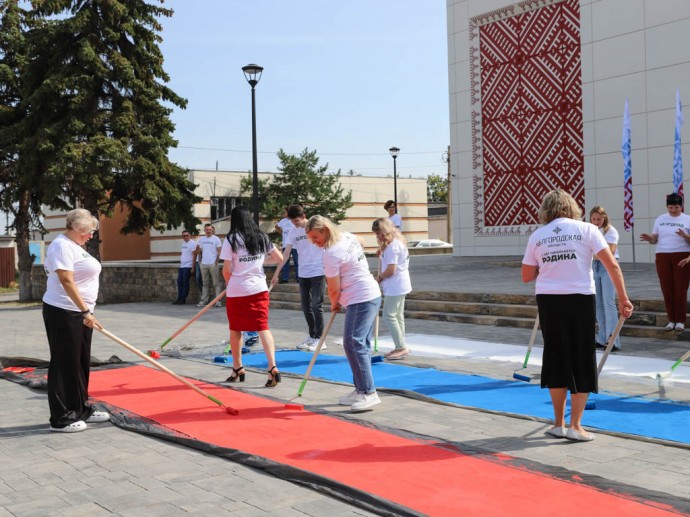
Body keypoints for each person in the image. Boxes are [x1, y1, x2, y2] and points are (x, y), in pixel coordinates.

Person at [522, 189, 633, 442]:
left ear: (546, 210)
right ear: (573, 208)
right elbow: (611, 264)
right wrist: (624, 298)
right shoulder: (588, 230)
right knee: (581, 355)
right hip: (579, 297)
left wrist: (550, 264)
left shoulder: (538, 235)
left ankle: (558, 423)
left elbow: (527, 275)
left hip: (549, 299)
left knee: (556, 355)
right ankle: (576, 426)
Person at [42, 208, 110, 433]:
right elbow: (66, 281)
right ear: (78, 228)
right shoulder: (61, 245)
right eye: (89, 231)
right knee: (64, 362)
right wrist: (85, 311)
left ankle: (80, 408)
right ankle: (61, 418)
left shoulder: (76, 247)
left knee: (80, 362)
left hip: (81, 313)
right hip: (64, 311)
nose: (91, 236)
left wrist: (87, 311)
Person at [306, 215, 382, 412]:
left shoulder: (331, 253)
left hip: (361, 298)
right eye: (311, 239)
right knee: (359, 344)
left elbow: (333, 288)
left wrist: (333, 304)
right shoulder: (347, 236)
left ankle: (368, 393)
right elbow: (362, 241)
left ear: (325, 230)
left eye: (315, 237)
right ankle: (361, 389)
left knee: (353, 343)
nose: (314, 242)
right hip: (368, 294)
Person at [221, 206, 283, 387]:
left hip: (237, 290)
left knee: (236, 328)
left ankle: (237, 366)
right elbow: (279, 258)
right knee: (262, 326)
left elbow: (226, 270)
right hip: (258, 288)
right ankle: (272, 367)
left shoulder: (231, 239)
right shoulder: (262, 237)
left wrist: (229, 284)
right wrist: (259, 262)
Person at [271, 205, 326, 351]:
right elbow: (286, 253)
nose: (294, 223)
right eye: (292, 221)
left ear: (304, 216)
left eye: (296, 220)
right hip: (303, 272)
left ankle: (320, 339)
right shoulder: (293, 231)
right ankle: (312, 336)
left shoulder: (315, 227)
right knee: (306, 306)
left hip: (318, 271)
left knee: (316, 305)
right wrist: (277, 273)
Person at [640, 193, 690, 331]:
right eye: (670, 207)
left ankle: (680, 320)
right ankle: (671, 319)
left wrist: (685, 236)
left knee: (680, 288)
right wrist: (650, 238)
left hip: (682, 255)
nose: (673, 210)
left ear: (681, 206)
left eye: (676, 207)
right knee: (667, 288)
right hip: (662, 255)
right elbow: (655, 239)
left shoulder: (687, 219)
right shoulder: (660, 219)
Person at [372, 217, 412, 360]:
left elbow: (391, 270)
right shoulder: (395, 243)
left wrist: (378, 278)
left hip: (396, 285)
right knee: (397, 316)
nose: (377, 237)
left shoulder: (393, 246)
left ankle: (401, 347)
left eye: (379, 234)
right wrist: (382, 253)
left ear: (385, 232)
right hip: (399, 284)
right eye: (376, 234)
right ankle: (400, 345)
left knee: (389, 315)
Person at [589, 206, 621, 351]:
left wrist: (590, 253)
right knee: (598, 303)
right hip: (594, 266)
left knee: (608, 302)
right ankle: (601, 338)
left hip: (607, 266)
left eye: (599, 219)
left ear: (604, 218)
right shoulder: (589, 231)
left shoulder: (611, 231)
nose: (596, 222)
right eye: (594, 219)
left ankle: (613, 339)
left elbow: (610, 251)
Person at [196, 223, 223, 307]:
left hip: (213, 264)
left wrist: (216, 261)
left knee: (216, 283)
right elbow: (198, 250)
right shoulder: (201, 239)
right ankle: (204, 300)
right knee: (205, 283)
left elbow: (219, 251)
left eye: (210, 230)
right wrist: (200, 259)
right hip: (203, 264)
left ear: (212, 230)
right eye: (207, 230)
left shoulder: (216, 239)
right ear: (204, 230)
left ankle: (218, 301)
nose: (208, 231)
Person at [173, 230, 198, 305]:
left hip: (188, 266)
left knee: (185, 282)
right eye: (183, 236)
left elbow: (194, 256)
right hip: (182, 266)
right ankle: (179, 298)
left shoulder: (192, 243)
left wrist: (193, 268)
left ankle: (183, 298)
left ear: (190, 235)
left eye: (187, 235)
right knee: (179, 282)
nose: (185, 237)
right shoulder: (183, 243)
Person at [275, 209, 298, 283]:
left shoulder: (295, 220)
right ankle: (285, 278)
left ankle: (299, 278)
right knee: (285, 262)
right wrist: (281, 232)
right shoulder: (283, 221)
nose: (284, 213)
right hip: (286, 244)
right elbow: (276, 226)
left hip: (295, 245)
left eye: (285, 212)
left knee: (297, 262)